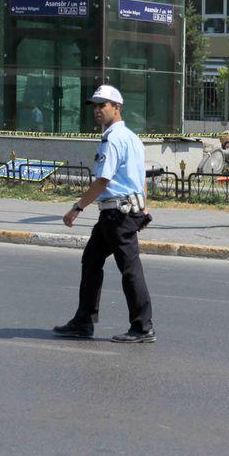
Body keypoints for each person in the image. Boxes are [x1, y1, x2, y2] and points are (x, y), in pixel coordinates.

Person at [53, 85, 155, 343]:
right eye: (95, 105)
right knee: (91, 260)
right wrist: (144, 204)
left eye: (103, 105)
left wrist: (77, 207)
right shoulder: (132, 136)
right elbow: (141, 174)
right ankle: (83, 320)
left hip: (117, 215)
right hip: (122, 211)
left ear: (117, 108)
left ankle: (143, 327)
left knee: (130, 269)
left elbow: (103, 181)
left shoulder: (112, 138)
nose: (97, 110)